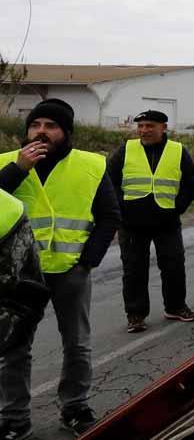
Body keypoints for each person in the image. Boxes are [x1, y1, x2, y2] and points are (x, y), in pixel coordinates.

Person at [0, 99, 121, 436]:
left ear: (66, 132)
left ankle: (75, 407)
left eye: (50, 126)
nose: (41, 131)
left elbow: (110, 216)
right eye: (35, 125)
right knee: (13, 348)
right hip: (17, 276)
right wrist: (17, 169)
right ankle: (14, 419)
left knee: (77, 344)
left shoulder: (92, 165)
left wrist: (87, 262)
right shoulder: (6, 164)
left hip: (70, 271)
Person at [106, 110, 194, 334]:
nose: (144, 131)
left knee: (174, 266)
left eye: (149, 126)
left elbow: (191, 184)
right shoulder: (125, 150)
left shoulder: (178, 151)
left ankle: (176, 307)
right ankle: (136, 315)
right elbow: (109, 182)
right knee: (134, 270)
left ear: (163, 128)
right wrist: (123, 208)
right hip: (131, 223)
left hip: (166, 221)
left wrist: (178, 208)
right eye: (140, 126)